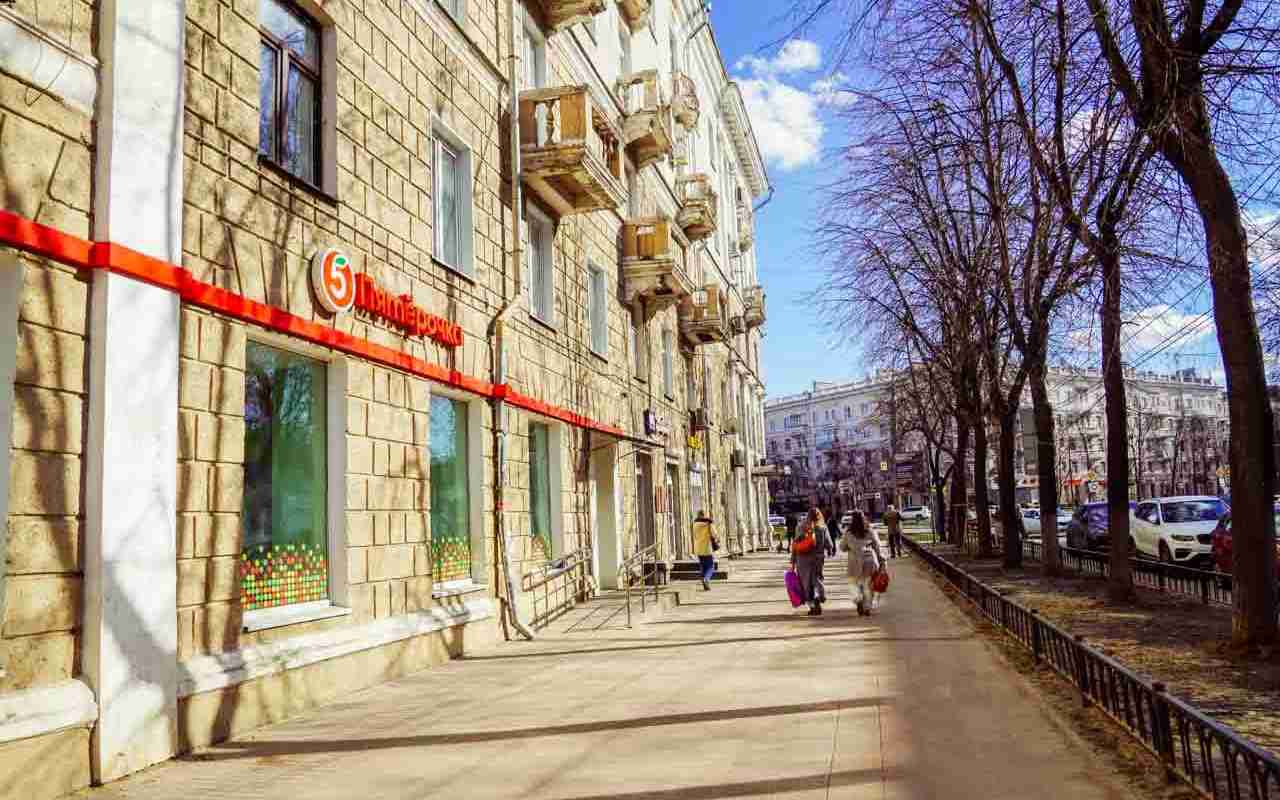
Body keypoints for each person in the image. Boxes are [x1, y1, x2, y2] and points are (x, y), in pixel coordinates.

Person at [843, 510, 885, 616]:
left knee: (855, 584)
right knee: (868, 584)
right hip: (869, 561)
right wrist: (881, 560)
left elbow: (842, 547)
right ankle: (867, 607)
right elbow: (877, 546)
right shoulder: (869, 530)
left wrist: (850, 547)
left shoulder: (848, 532)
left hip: (854, 561)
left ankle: (859, 601)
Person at [792, 507, 833, 616]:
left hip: (802, 560)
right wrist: (828, 551)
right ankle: (820, 595)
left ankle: (813, 606)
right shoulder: (823, 527)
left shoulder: (800, 527)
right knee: (817, 579)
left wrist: (793, 561)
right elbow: (829, 544)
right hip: (817, 559)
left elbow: (795, 545)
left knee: (806, 583)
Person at [691, 510, 717, 591]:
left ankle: (703, 578)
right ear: (704, 515)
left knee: (703, 565)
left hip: (698, 548)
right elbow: (714, 534)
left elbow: (694, 535)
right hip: (707, 547)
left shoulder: (694, 524)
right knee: (711, 566)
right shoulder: (708, 523)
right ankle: (706, 579)